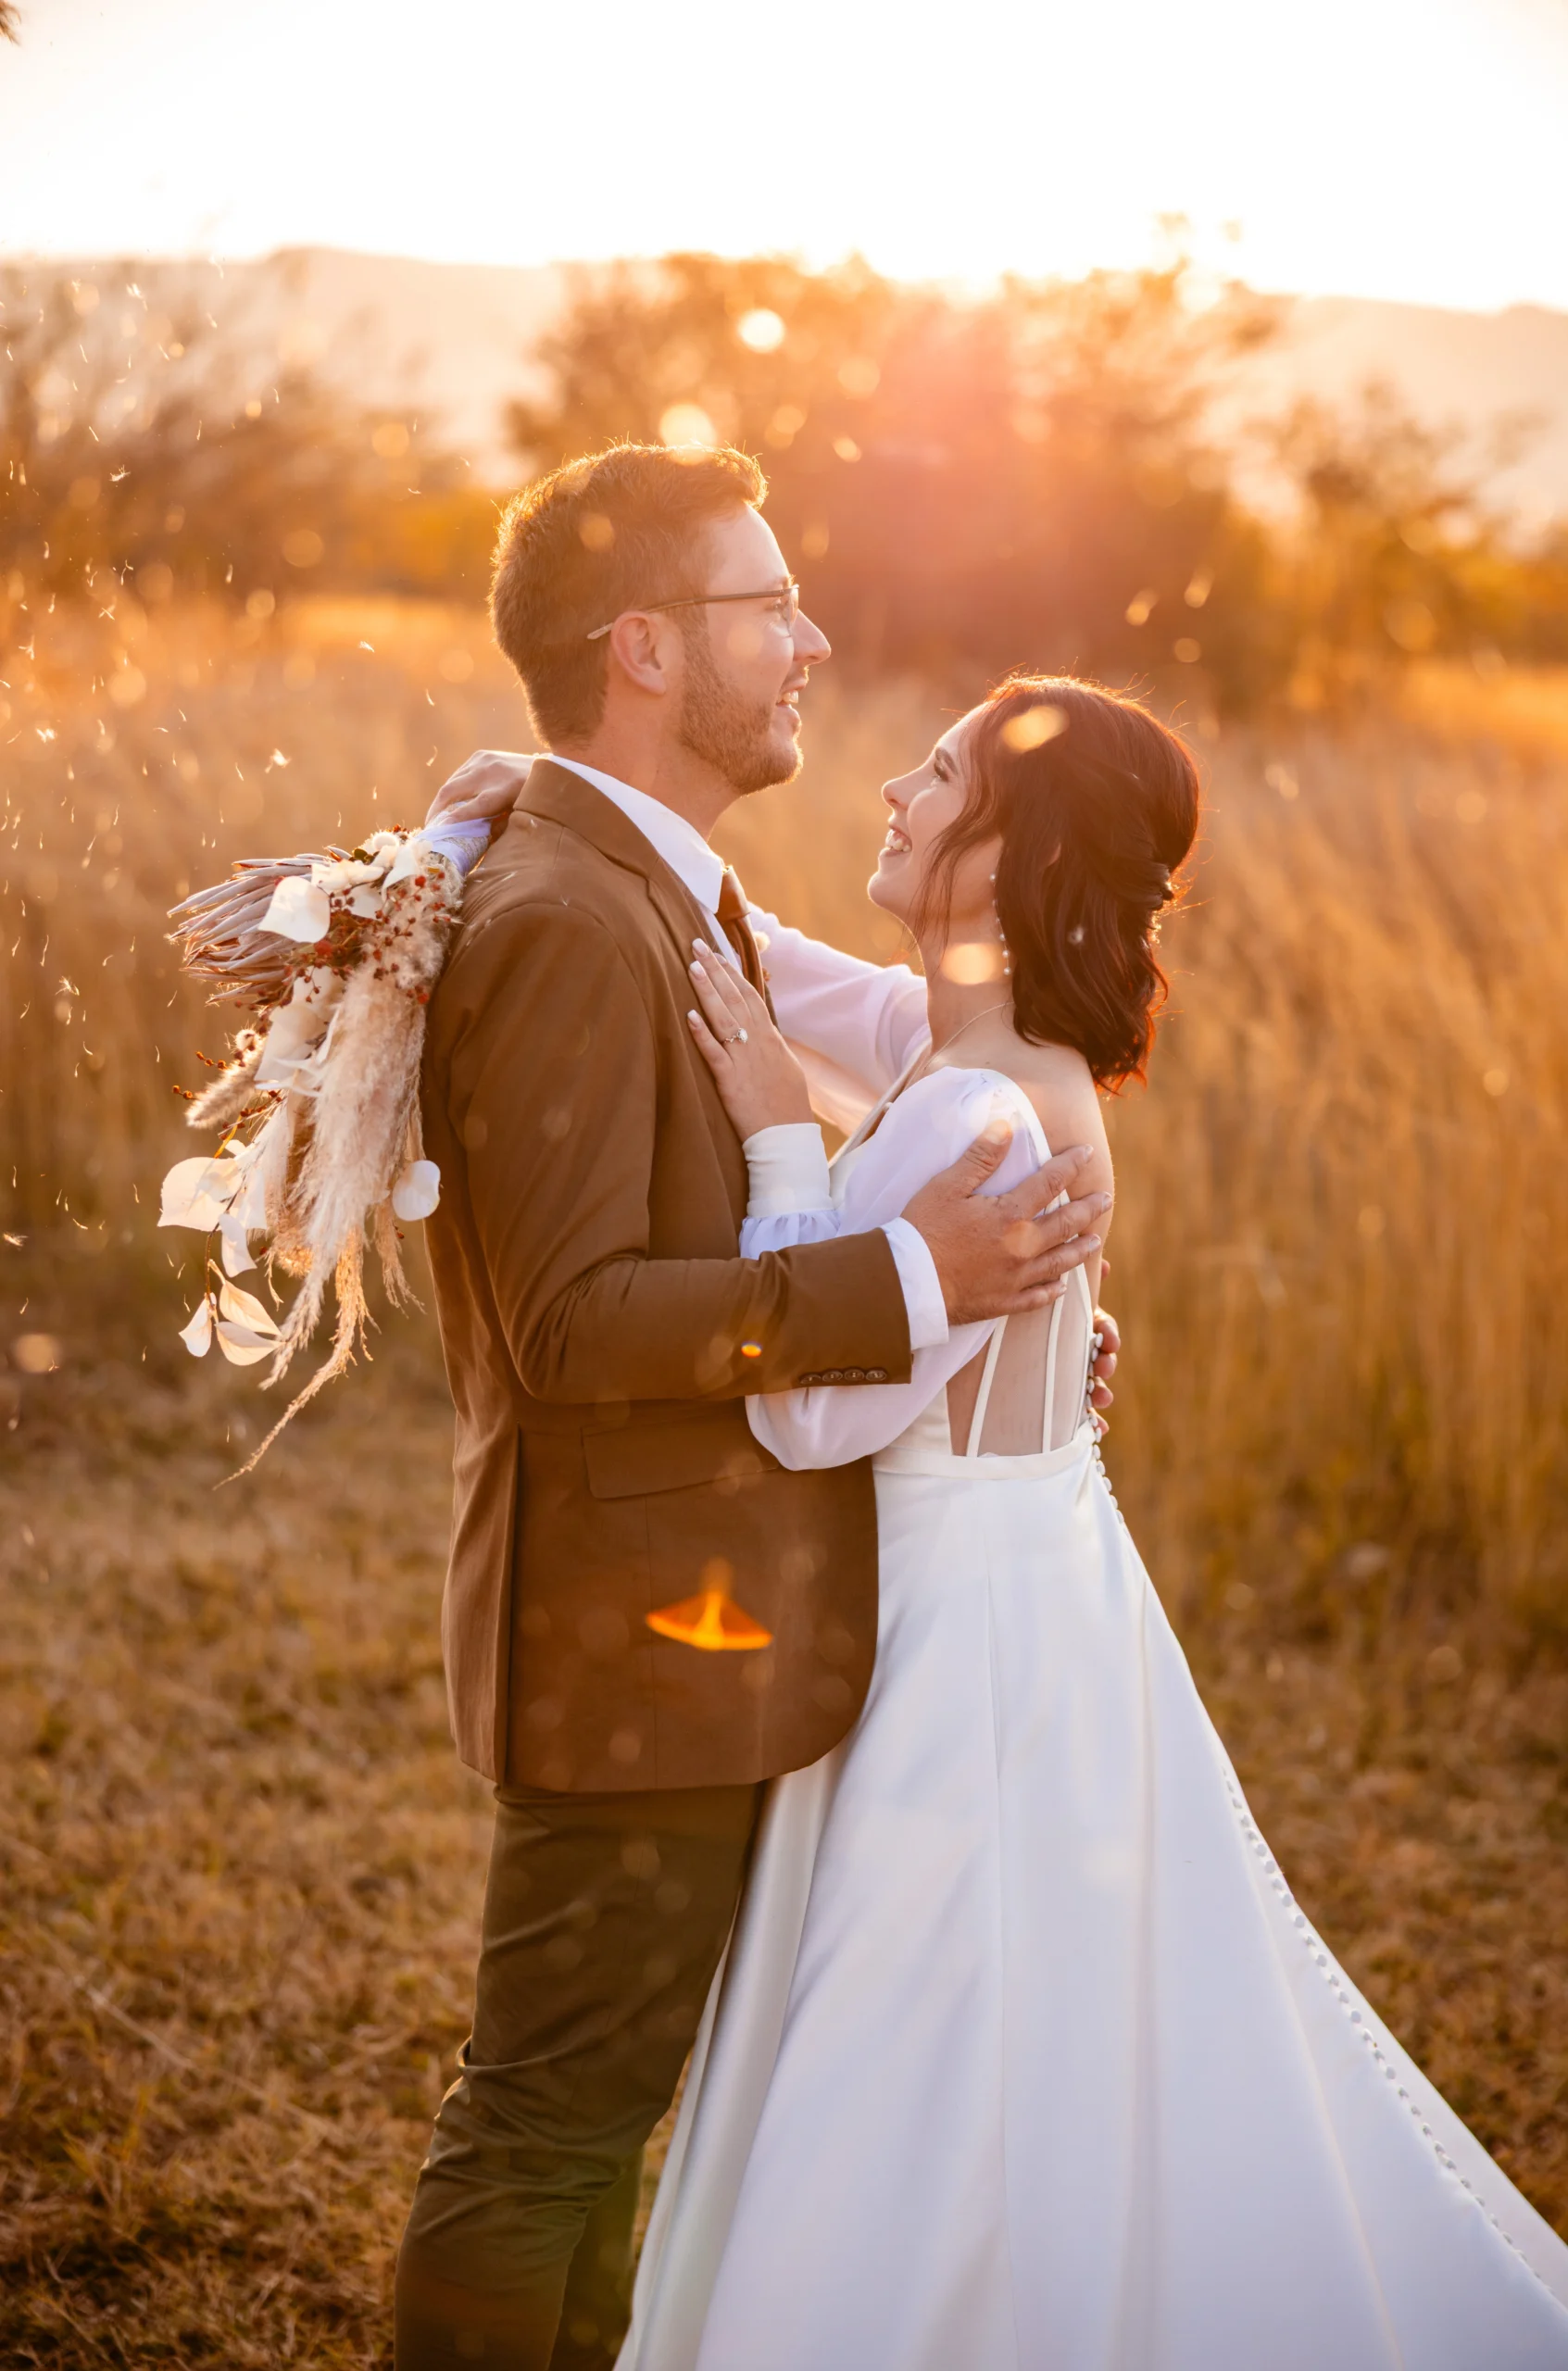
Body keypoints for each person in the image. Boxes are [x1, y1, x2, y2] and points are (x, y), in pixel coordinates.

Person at [603, 676, 1568, 2369]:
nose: (892, 790)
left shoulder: (973, 1107)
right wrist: (575, 818)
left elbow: (805, 1411)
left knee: (918, 2036)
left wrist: (775, 1144)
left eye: (939, 776)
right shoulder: (984, 1054)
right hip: (1034, 1572)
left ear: (1011, 855)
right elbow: (789, 979)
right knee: (1035, 2016)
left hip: (948, 1637)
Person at [395, 441, 1115, 2371]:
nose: (810, 640)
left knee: (596, 2127)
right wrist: (913, 1284)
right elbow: (567, 1324)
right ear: (643, 647)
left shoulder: (653, 885)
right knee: (542, 2128)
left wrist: (993, 1327)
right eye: (767, 603)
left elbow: (910, 1044)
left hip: (692, 1632)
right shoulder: (569, 916)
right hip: (628, 1638)